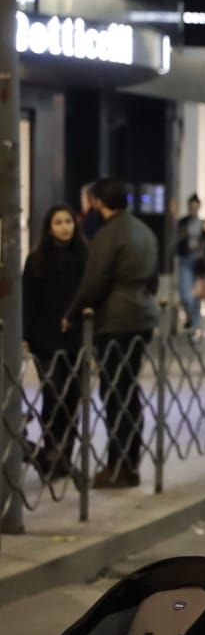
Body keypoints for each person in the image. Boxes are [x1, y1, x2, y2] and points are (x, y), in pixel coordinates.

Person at [65, 178, 160, 490]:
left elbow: (95, 280)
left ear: (98, 202)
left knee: (115, 393)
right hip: (142, 315)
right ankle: (130, 464)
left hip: (117, 319)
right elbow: (153, 277)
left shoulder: (108, 234)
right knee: (128, 391)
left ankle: (118, 465)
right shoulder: (143, 230)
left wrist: (72, 313)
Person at [21, 205, 88, 480]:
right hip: (45, 338)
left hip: (76, 338)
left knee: (73, 397)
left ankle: (66, 455)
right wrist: (24, 335)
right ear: (49, 227)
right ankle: (51, 451)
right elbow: (27, 300)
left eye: (69, 221)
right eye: (59, 222)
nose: (65, 227)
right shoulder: (36, 260)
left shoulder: (86, 257)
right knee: (54, 393)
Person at [175, 194, 205, 327]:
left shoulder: (203, 224)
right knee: (185, 295)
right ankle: (190, 317)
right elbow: (175, 242)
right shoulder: (182, 223)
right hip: (185, 258)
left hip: (198, 260)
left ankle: (195, 324)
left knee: (196, 294)